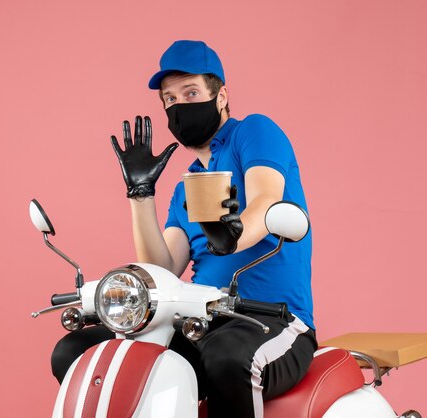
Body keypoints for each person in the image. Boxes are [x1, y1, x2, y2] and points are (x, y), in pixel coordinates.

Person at [51, 40, 317, 418]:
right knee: (80, 352)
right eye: (170, 100)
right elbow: (161, 268)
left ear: (221, 96)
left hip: (272, 320)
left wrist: (235, 235)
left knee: (226, 358)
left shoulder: (253, 132)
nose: (180, 106)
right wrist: (140, 194)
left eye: (191, 93)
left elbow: (266, 201)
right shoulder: (187, 187)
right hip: (201, 320)